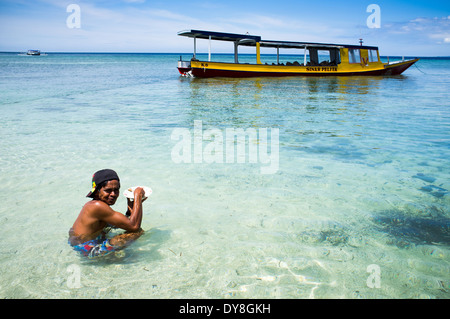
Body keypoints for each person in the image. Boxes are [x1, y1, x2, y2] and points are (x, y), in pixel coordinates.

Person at [69, 169, 146, 258]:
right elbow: (134, 227)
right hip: (87, 249)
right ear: (97, 191)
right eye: (108, 190)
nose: (113, 194)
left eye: (116, 190)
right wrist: (138, 197)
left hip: (83, 243)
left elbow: (122, 224)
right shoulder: (97, 206)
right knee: (137, 232)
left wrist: (129, 213)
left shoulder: (95, 205)